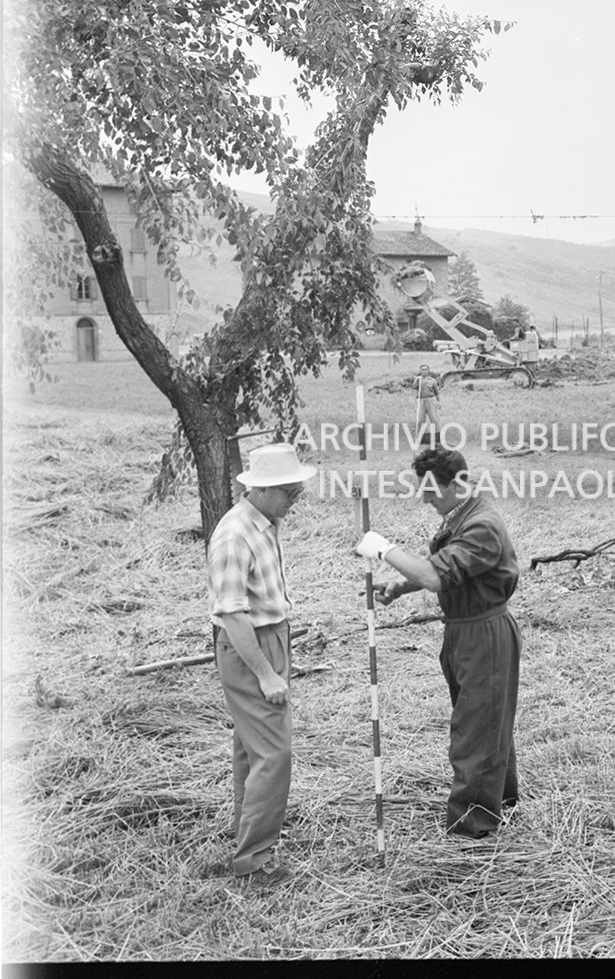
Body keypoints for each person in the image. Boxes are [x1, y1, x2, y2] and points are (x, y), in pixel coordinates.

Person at [356, 447, 522, 839]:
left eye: (432, 490)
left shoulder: (482, 526)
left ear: (459, 484)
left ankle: (472, 827)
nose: (425, 498)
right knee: (484, 721)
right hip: (464, 630)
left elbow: (434, 576)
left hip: (485, 634)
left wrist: (385, 550)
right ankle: (501, 802)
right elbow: (446, 568)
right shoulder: (461, 517)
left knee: (476, 728)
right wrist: (401, 586)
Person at [205, 442, 316, 887]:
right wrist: (266, 673)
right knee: (274, 753)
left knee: (253, 749)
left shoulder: (265, 522)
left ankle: (247, 835)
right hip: (251, 646)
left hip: (272, 636)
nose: (294, 501)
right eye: (289, 493)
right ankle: (254, 859)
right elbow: (232, 615)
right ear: (263, 490)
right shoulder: (234, 536)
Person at [413, 364, 441, 444]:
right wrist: (416, 380)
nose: (424, 371)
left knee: (434, 419)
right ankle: (419, 438)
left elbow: (437, 392)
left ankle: (437, 438)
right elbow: (414, 387)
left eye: (426, 369)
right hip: (421, 400)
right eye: (422, 369)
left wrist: (439, 402)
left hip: (431, 400)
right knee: (420, 419)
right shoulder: (418, 380)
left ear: (428, 371)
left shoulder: (432, 380)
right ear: (420, 371)